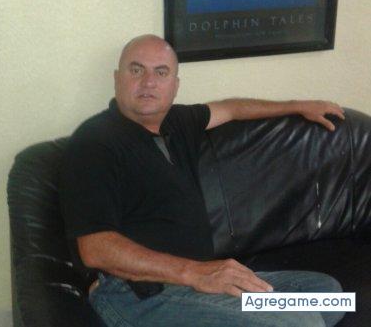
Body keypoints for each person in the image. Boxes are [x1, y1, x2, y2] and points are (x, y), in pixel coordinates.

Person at [59, 34, 346, 327]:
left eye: (161, 72)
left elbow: (232, 108)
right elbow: (95, 249)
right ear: (117, 78)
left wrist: (298, 106)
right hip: (138, 294)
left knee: (328, 295)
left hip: (199, 288)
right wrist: (195, 273)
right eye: (136, 70)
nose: (148, 82)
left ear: (175, 85)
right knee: (301, 321)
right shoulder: (95, 143)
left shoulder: (178, 122)